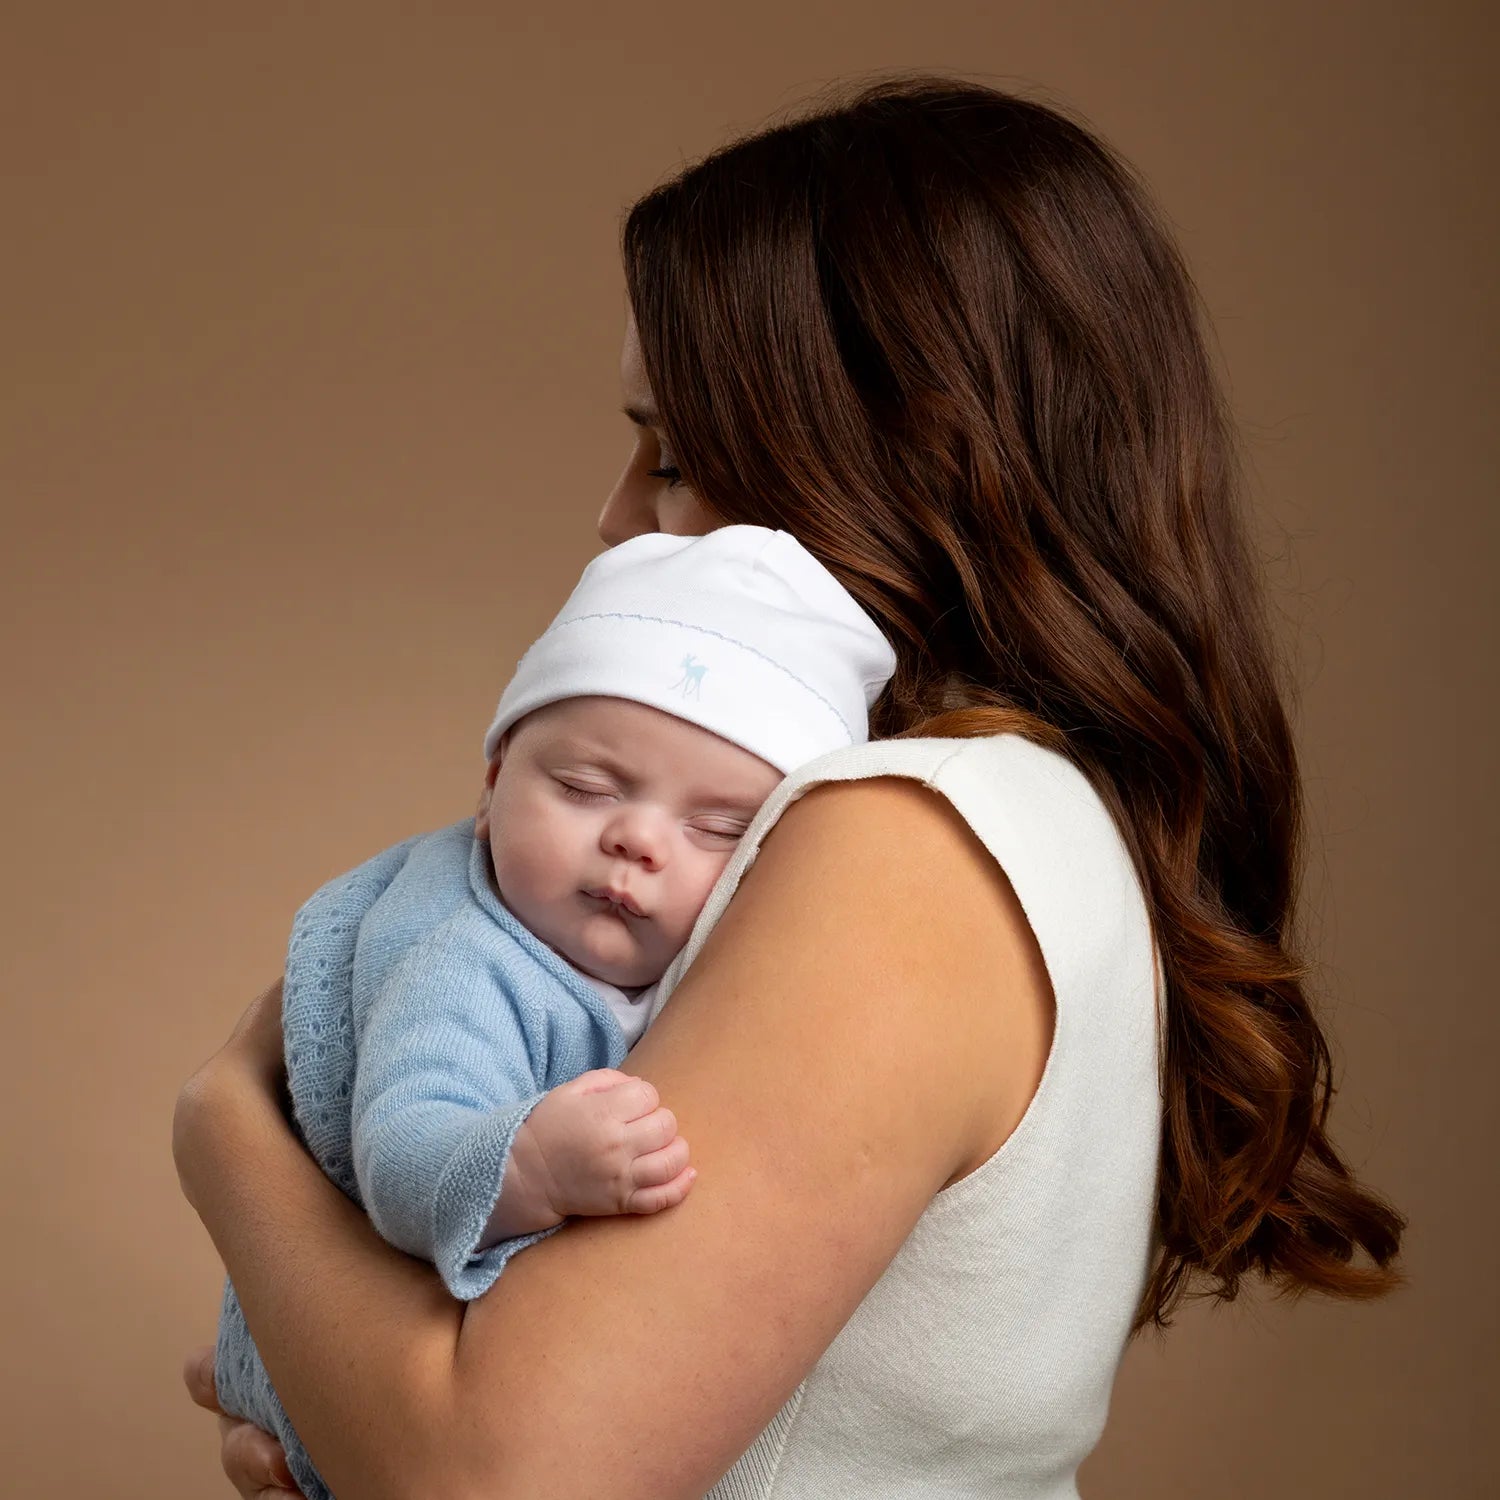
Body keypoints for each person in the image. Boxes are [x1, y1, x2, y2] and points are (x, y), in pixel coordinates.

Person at [174, 76, 1405, 1498]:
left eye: (681, 455)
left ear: (908, 459)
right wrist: (338, 1386)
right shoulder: (1045, 824)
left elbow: (495, 1479)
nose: (616, 514)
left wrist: (222, 1132)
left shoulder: (904, 846)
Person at [211, 523, 898, 1500]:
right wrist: (533, 1159)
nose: (635, 840)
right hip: (369, 1390)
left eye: (717, 829)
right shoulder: (470, 958)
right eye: (585, 787)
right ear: (493, 784)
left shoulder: (728, 970)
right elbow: (403, 1155)